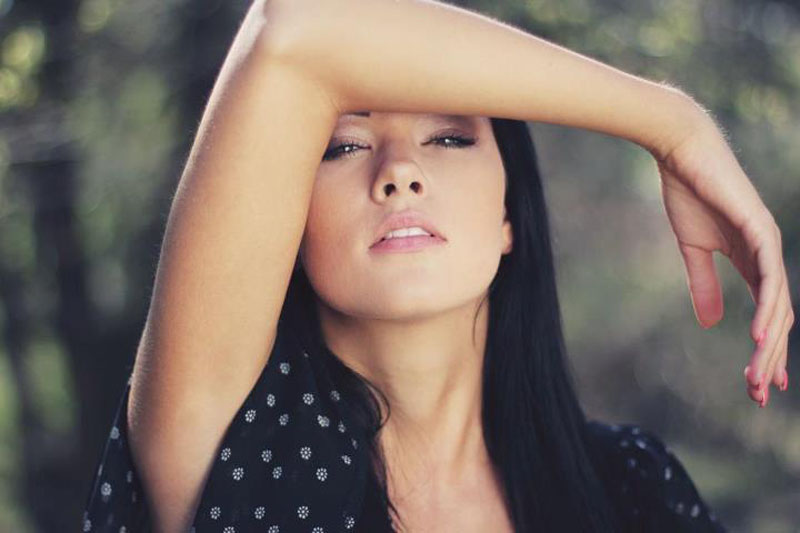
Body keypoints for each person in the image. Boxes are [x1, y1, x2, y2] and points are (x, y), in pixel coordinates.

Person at [82, 0, 793, 531]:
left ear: (510, 215)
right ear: (286, 221)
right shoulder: (229, 438)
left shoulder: (632, 488)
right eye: (344, 146)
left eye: (450, 138)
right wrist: (671, 125)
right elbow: (296, 27)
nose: (400, 173)